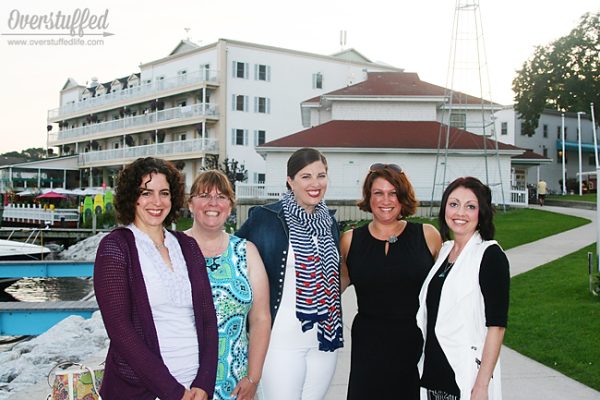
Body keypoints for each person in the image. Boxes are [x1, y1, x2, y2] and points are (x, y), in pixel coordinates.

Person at [94, 157, 218, 400]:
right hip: (142, 391)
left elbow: (207, 320)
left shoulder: (188, 246)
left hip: (194, 387)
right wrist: (174, 393)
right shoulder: (115, 247)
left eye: (164, 193)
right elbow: (120, 331)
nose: (157, 202)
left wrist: (204, 383)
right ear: (132, 196)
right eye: (146, 193)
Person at [236, 147, 343, 400]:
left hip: (324, 340)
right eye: (306, 176)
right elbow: (231, 254)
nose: (315, 184)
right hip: (280, 341)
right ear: (290, 181)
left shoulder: (329, 223)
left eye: (321, 175)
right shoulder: (266, 218)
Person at [340, 163, 442, 399]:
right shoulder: (350, 240)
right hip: (368, 345)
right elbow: (332, 289)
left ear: (403, 197)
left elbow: (449, 286)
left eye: (393, 193)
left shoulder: (427, 236)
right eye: (378, 193)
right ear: (369, 197)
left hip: (414, 342)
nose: (386, 200)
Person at [416, 177, 510, 400]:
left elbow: (496, 326)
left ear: (482, 213)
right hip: (432, 376)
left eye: (471, 206)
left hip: (464, 378)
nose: (460, 213)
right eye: (454, 204)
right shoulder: (444, 252)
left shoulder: (489, 255)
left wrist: (481, 385)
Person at [185, 170, 271, 400]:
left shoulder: (246, 252)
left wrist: (253, 377)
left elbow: (261, 318)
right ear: (191, 204)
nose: (213, 203)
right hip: (182, 383)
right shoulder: (172, 249)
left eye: (222, 197)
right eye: (204, 195)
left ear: (230, 207)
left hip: (234, 383)